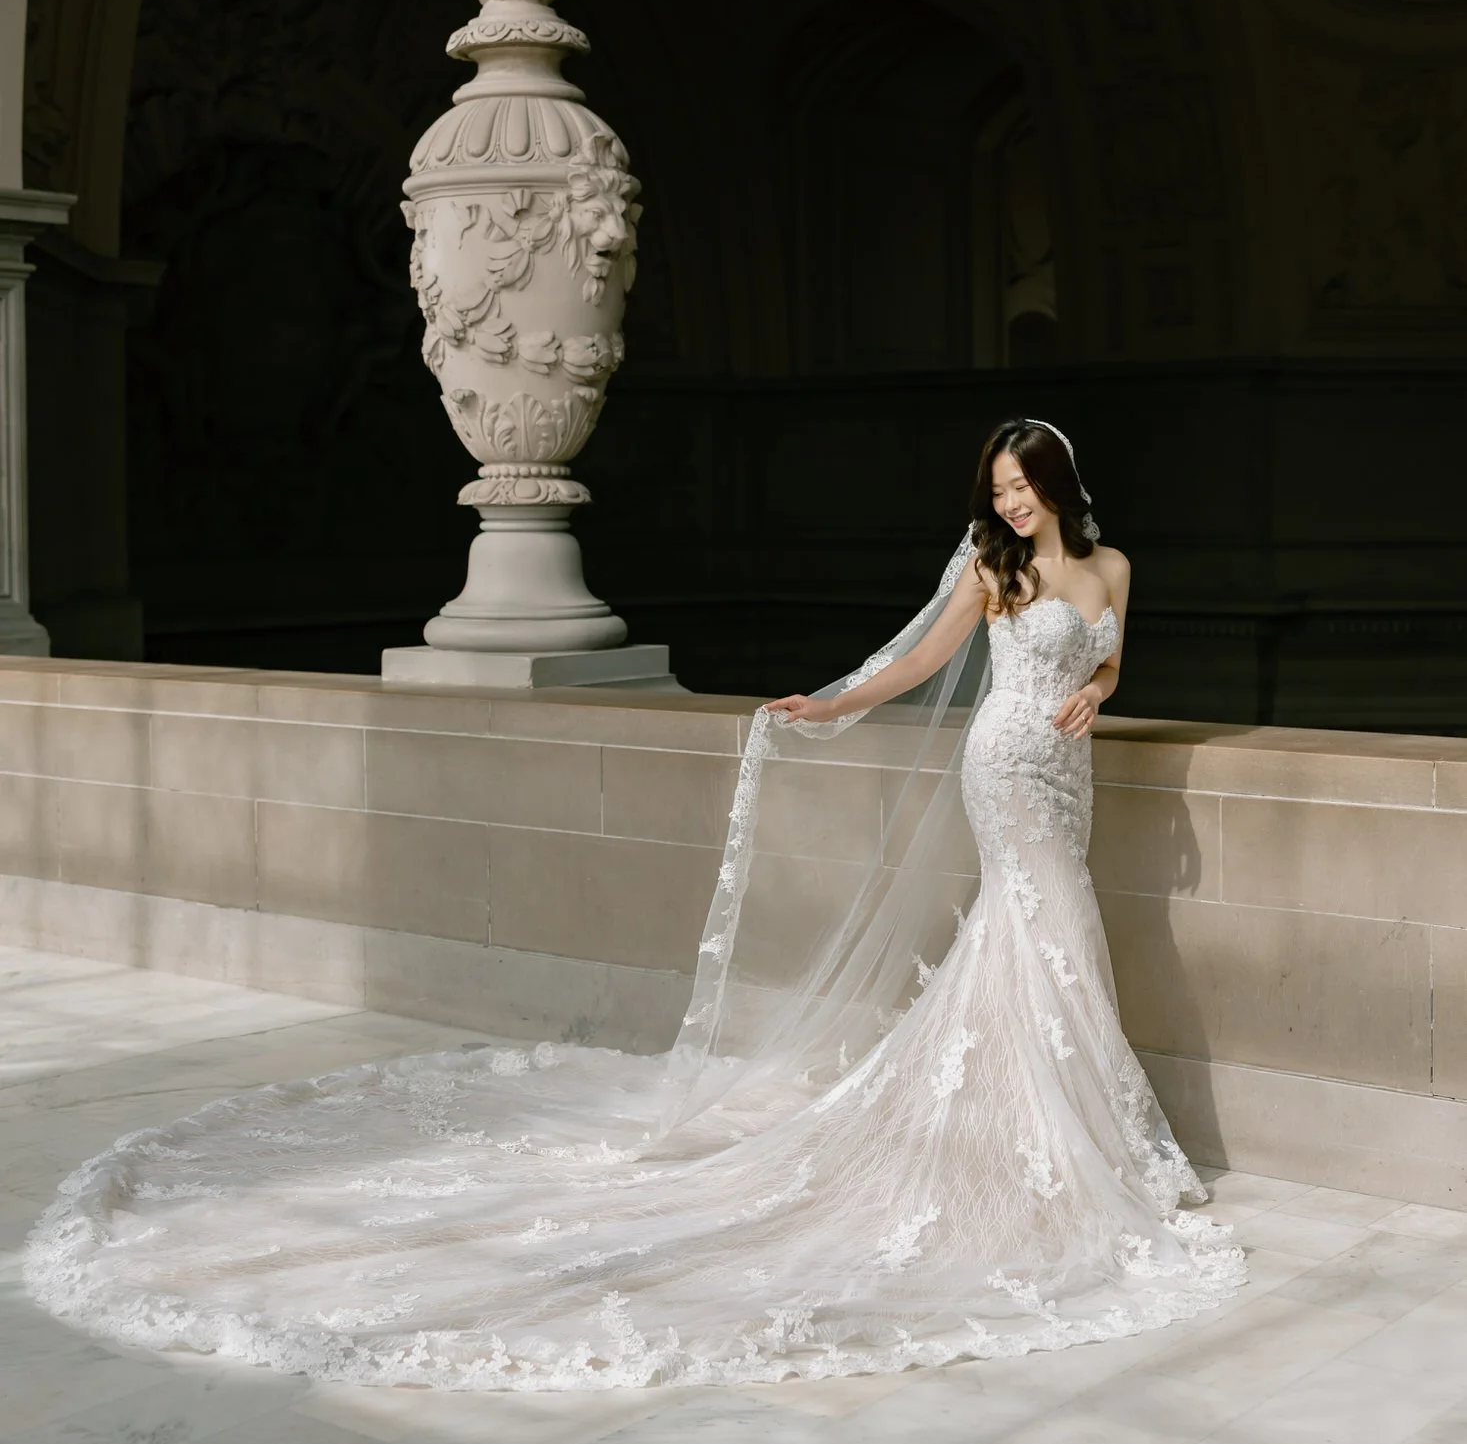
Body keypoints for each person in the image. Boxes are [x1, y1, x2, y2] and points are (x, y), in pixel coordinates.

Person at [25, 419, 1244, 1389]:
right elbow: (928, 659)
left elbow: (1112, 651)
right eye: (1000, 487)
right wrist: (833, 705)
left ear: (1059, 481)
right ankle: (1050, 1147)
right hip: (1002, 769)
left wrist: (1097, 690)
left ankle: (1053, 1127)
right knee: (1041, 930)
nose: (1012, 500)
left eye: (1024, 485)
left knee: (1045, 933)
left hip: (1063, 772)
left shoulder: (1110, 567)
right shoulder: (995, 567)